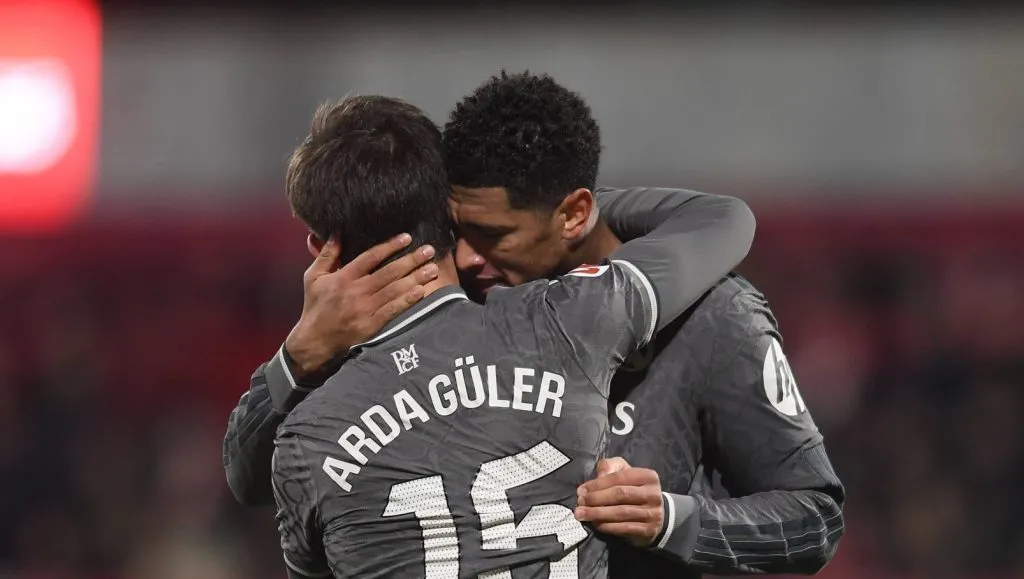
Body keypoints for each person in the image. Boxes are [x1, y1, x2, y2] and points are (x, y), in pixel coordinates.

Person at [224, 71, 843, 577]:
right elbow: (255, 479)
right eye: (457, 231)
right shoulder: (457, 309)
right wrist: (298, 355)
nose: (468, 258)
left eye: (493, 234)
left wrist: (676, 520)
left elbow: (815, 521)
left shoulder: (710, 315)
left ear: (572, 213)